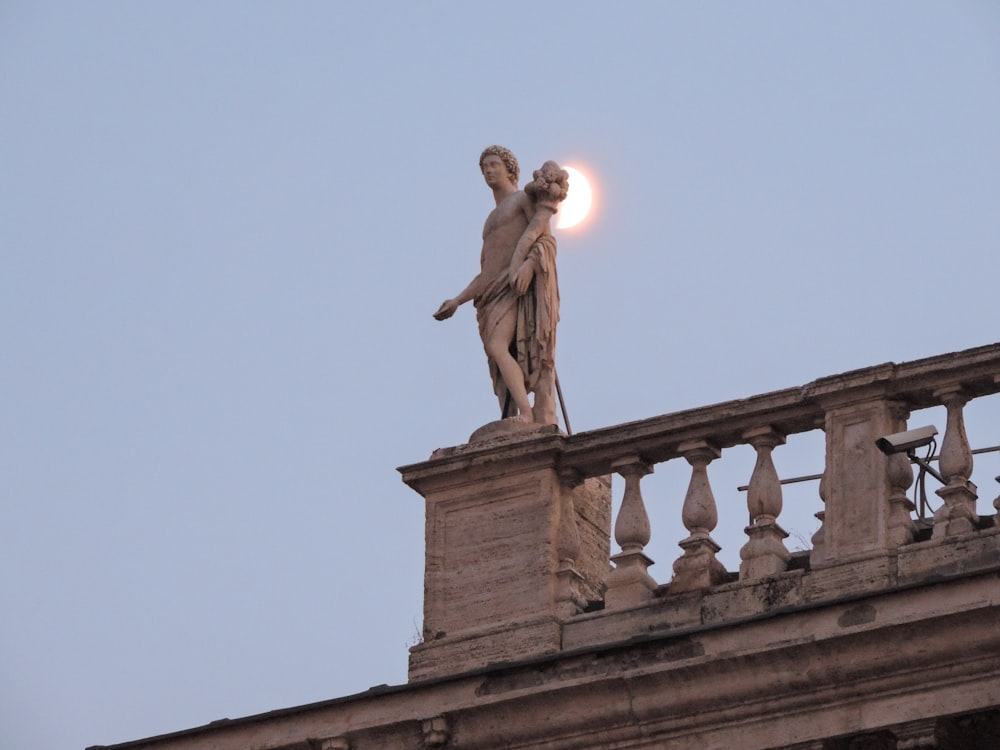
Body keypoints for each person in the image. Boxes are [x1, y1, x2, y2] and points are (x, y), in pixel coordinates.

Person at [434, 147, 567, 425]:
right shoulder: (489, 222)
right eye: (484, 167)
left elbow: (545, 239)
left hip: (512, 286)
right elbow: (486, 273)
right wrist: (457, 300)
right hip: (492, 292)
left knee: (498, 346)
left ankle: (527, 414)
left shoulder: (521, 199)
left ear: (509, 169)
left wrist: (529, 266)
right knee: (498, 357)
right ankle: (511, 414)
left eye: (494, 164)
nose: (488, 171)